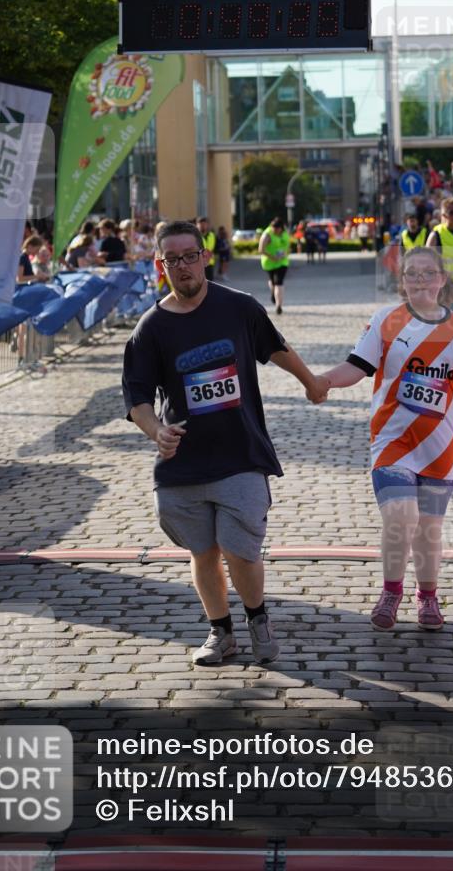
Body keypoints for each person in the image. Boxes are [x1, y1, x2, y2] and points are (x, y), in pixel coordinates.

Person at [122, 220, 327, 666]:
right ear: (161, 265)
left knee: (240, 549)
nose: (183, 266)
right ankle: (221, 633)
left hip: (240, 453)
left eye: (189, 256)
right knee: (203, 552)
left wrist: (311, 382)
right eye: (172, 259)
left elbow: (276, 347)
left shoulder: (238, 307)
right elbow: (136, 398)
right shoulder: (150, 328)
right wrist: (156, 431)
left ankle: (257, 618)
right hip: (184, 463)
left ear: (205, 256)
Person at [317, 246, 453, 632]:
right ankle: (391, 591)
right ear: (402, 281)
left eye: (428, 273)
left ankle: (427, 598)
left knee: (429, 530)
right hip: (392, 441)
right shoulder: (386, 320)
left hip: (441, 447)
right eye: (412, 273)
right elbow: (357, 366)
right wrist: (325, 380)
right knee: (401, 516)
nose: (419, 280)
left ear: (442, 279)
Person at [258, 217, 290, 315]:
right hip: (269, 262)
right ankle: (273, 294)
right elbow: (261, 249)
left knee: (279, 282)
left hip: (282, 262)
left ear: (281, 228)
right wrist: (272, 257)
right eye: (273, 229)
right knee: (273, 282)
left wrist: (285, 254)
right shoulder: (267, 235)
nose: (275, 231)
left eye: (277, 229)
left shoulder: (285, 233)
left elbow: (287, 246)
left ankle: (278, 305)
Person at [196, 216, 216, 282]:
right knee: (200, 282)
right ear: (197, 225)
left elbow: (213, 248)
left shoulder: (212, 235)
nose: (203, 226)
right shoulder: (195, 236)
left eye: (204, 224)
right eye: (201, 224)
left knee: (210, 282)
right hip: (199, 263)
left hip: (210, 262)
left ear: (207, 225)